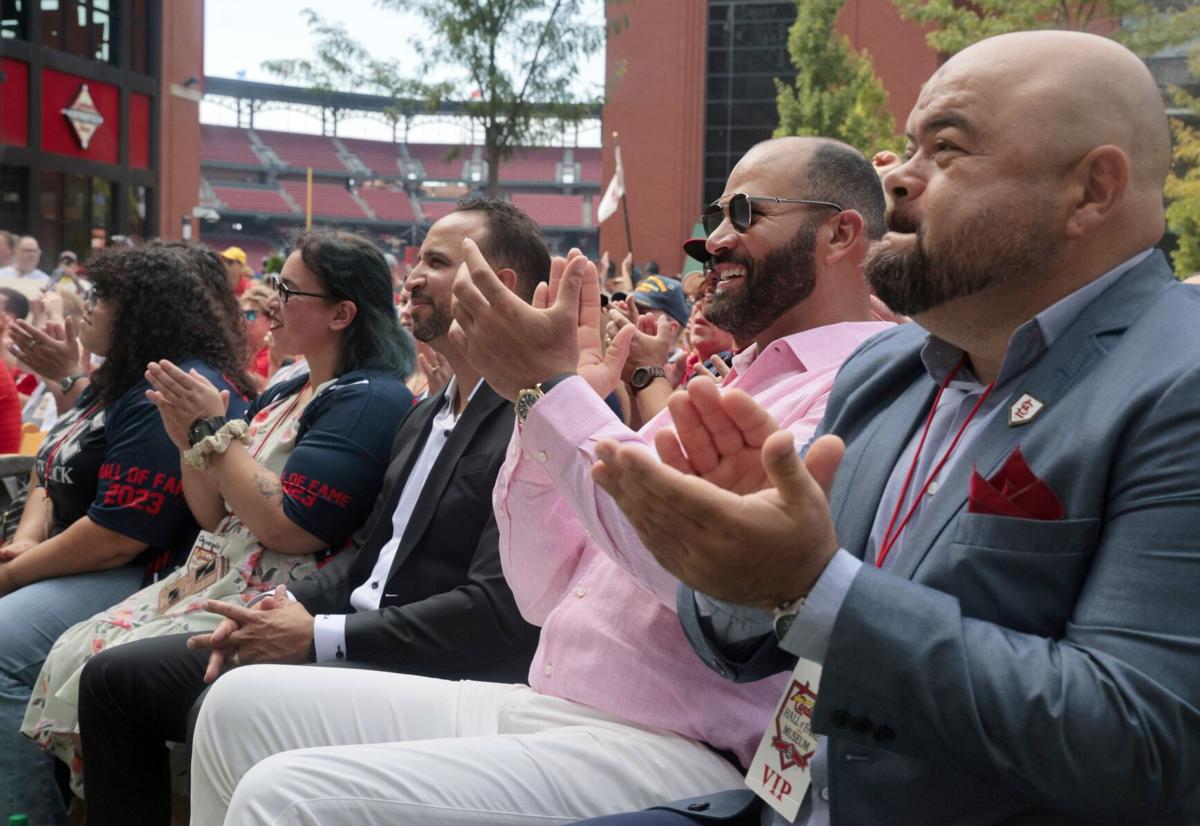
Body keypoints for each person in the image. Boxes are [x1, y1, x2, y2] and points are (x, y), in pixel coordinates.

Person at [187, 137, 894, 824]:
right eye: (716, 215)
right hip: (553, 702)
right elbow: (543, 589)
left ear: (840, 235)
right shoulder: (734, 378)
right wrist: (539, 410)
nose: (714, 240)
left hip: (677, 746)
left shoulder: (861, 391)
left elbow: (708, 582)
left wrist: (551, 390)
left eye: (745, 214)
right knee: (234, 710)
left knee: (287, 796)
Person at [589, 30, 1200, 825]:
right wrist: (734, 555)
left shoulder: (1177, 384)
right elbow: (751, 639)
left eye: (944, 150)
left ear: (1090, 191)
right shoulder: (890, 366)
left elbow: (1135, 742)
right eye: (907, 145)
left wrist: (814, 588)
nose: (895, 180)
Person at [75, 198, 545, 826]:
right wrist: (283, 608)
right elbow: (368, 560)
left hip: (438, 670)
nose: (410, 276)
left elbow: (495, 612)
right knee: (113, 679)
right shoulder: (425, 415)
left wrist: (319, 635)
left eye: (435, 262)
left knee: (218, 706)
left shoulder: (529, 416)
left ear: (497, 283)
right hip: (351, 630)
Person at [20, 231, 414, 806]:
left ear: (342, 314)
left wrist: (211, 432)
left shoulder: (369, 398)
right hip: (211, 572)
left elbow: (290, 527)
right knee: (77, 648)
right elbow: (212, 512)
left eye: (288, 290)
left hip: (272, 594)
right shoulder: (288, 383)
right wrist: (189, 439)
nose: (270, 302)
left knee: (102, 668)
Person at [0, 244, 255, 826]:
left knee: (2, 648)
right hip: (75, 553)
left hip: (145, 569)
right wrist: (30, 536)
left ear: (140, 309)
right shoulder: (113, 377)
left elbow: (121, 532)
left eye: (100, 297)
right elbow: (56, 462)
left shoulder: (167, 386)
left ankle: (25, 814)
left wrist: (12, 574)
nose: (86, 308)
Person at [239, 283, 275, 386]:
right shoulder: (241, 350)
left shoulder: (277, 353)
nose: (243, 319)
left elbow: (263, 385)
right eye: (241, 314)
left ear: (271, 318)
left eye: (250, 315)